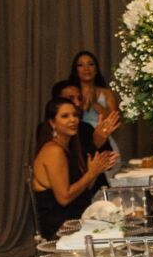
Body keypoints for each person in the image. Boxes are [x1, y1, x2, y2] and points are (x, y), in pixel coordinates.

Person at [32, 96, 119, 239]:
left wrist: (97, 170)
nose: (73, 120)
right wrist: (91, 174)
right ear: (52, 123)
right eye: (65, 116)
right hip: (61, 227)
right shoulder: (53, 151)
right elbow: (64, 198)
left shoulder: (69, 147)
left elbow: (85, 189)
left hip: (77, 218)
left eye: (75, 115)